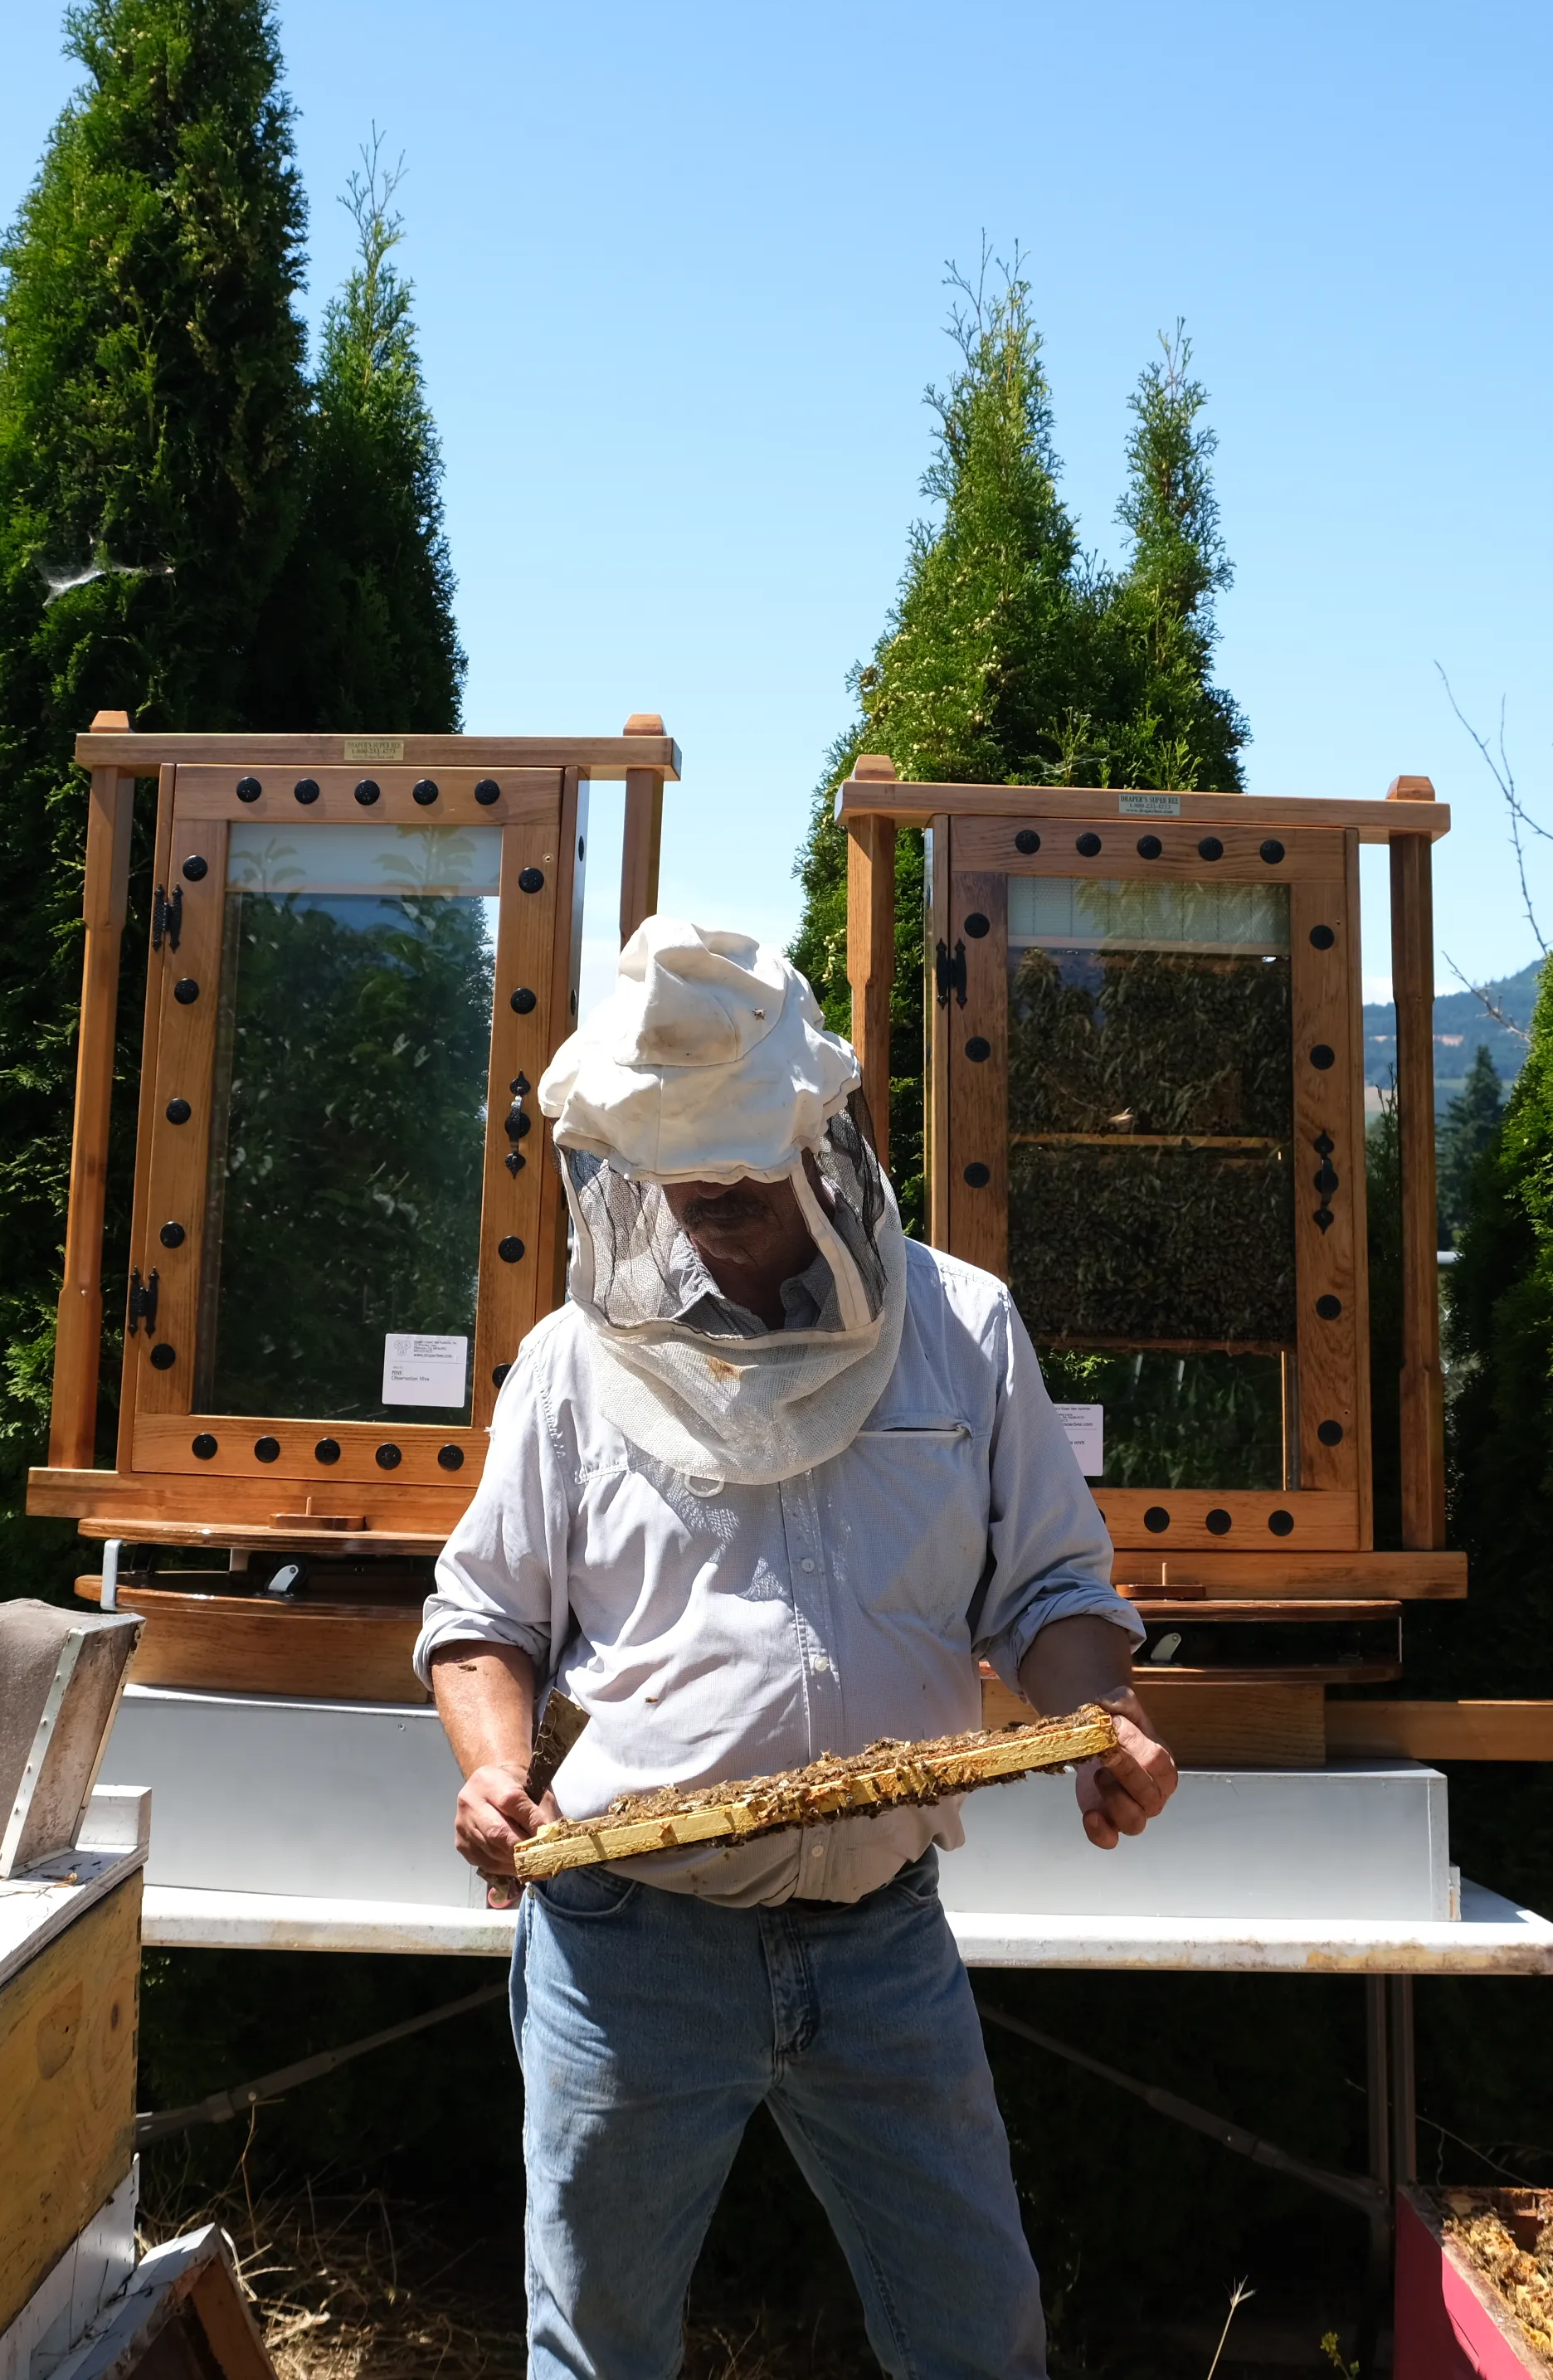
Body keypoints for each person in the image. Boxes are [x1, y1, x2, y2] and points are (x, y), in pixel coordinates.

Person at [420, 915, 1179, 2380]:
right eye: (678, 1192)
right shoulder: (576, 1365)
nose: (709, 1222)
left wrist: (1107, 1720)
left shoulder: (965, 1329)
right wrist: (497, 1771)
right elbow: (485, 1618)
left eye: (742, 1194)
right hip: (628, 1943)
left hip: (883, 1937)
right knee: (598, 2352)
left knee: (978, 2335)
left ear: (827, 1152)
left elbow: (1051, 1592)